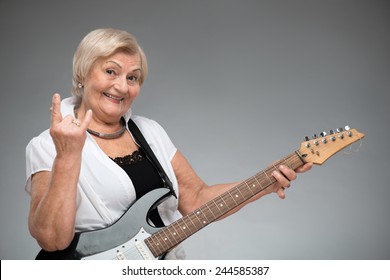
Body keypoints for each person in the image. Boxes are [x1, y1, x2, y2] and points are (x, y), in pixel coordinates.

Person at [25, 28, 312, 260]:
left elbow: (197, 199)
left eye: (133, 77)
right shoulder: (47, 145)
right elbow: (51, 240)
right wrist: (68, 155)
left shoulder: (150, 132)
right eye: (110, 72)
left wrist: (266, 183)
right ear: (83, 74)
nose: (122, 87)